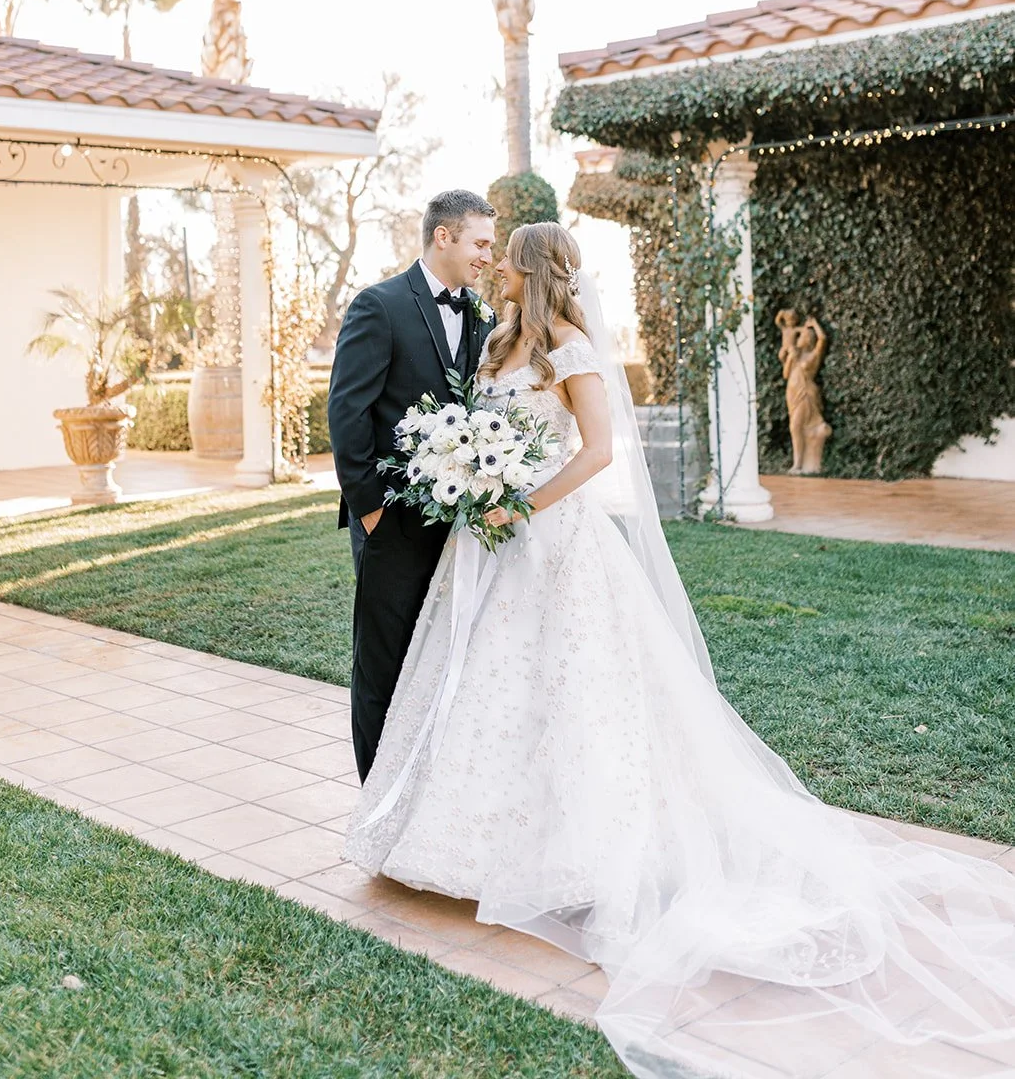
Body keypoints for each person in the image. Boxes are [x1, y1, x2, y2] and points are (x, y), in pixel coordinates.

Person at [345, 221, 1015, 1079]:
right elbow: (477, 431)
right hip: (487, 547)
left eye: (506, 260)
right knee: (482, 685)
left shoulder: (573, 351)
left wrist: (523, 501)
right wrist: (473, 474)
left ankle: (580, 850)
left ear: (532, 270)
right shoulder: (494, 344)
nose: (495, 271)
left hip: (553, 543)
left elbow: (595, 453)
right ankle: (457, 841)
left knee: (573, 689)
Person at [328, 188, 496, 782]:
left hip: (458, 523)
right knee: (384, 663)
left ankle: (424, 789)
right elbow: (347, 413)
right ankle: (376, 794)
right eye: (479, 243)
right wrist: (370, 510)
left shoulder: (483, 316)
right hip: (392, 518)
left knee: (438, 659)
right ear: (442, 236)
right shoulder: (380, 305)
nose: (488, 257)